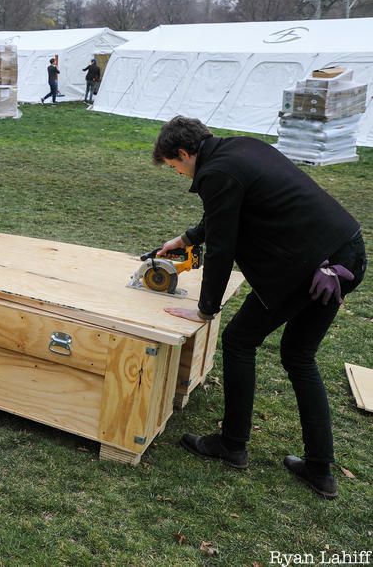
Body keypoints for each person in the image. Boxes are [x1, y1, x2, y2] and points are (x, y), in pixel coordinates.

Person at [153, 116, 365, 500]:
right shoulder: (240, 149)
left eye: (175, 166)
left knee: (238, 340)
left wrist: (205, 310)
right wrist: (185, 237)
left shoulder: (217, 172)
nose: (180, 174)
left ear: (184, 153)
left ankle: (231, 444)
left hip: (312, 266)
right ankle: (320, 469)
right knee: (299, 356)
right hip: (346, 253)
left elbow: (222, 247)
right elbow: (224, 213)